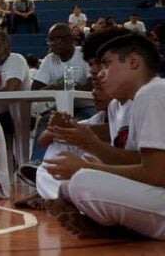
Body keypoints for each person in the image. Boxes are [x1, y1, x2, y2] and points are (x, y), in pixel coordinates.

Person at [45, 34, 164, 240]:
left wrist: (89, 165)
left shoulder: (151, 94)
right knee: (70, 185)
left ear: (134, 62)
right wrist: (90, 149)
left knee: (83, 182)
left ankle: (120, 228)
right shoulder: (143, 97)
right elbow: (142, 161)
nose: (100, 74)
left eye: (107, 64)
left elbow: (157, 174)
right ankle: (119, 227)